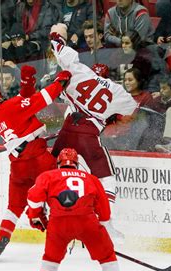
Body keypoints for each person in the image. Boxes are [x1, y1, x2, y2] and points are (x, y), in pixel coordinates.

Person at [49, 23, 138, 241]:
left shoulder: (78, 70)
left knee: (50, 173)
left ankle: (51, 215)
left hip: (67, 131)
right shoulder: (118, 92)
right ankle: (107, 227)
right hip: (90, 135)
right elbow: (131, 112)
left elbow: (56, 43)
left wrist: (58, 31)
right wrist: (111, 119)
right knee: (107, 180)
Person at [0, 65, 71, 261]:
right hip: (38, 160)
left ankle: (0, 243)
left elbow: (26, 99)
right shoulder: (11, 106)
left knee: (13, 206)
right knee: (57, 194)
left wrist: (27, 82)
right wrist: (60, 83)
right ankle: (61, 232)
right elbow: (41, 99)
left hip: (18, 167)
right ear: (1, 98)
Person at [26, 148, 127, 271]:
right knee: (107, 256)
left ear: (58, 163)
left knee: (51, 259)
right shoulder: (91, 178)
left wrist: (36, 216)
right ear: (77, 164)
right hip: (87, 222)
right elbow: (105, 213)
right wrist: (94, 231)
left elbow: (33, 198)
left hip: (58, 224)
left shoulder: (48, 176)